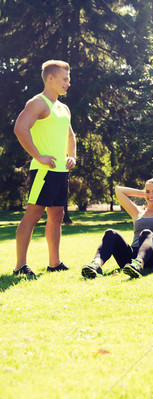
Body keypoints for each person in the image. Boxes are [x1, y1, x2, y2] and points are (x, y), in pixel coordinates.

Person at [13, 60, 77, 277]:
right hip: (43, 170)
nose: (68, 83)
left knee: (57, 215)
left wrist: (72, 157)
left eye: (69, 79)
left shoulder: (63, 107)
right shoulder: (38, 103)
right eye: (64, 79)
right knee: (33, 214)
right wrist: (38, 155)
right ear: (50, 78)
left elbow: (70, 135)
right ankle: (20, 265)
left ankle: (54, 263)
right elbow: (20, 128)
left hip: (61, 171)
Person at [81, 179, 153, 278]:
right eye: (147, 191)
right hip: (131, 257)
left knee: (146, 233)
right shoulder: (137, 212)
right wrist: (145, 193)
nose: (150, 195)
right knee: (110, 233)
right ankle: (96, 265)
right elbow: (119, 190)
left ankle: (138, 264)